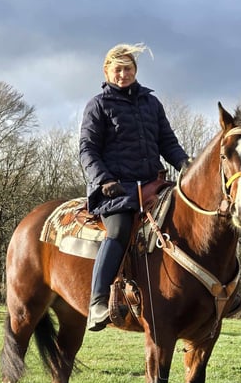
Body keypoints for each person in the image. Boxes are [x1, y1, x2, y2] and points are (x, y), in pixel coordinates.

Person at [79, 43, 190, 331]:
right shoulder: (98, 105)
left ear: (135, 71)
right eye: (117, 69)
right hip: (116, 190)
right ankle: (97, 302)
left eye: (128, 68)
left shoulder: (151, 103)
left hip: (155, 183)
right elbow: (88, 150)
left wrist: (185, 165)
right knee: (118, 231)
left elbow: (168, 142)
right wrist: (104, 180)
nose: (123, 74)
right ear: (107, 71)